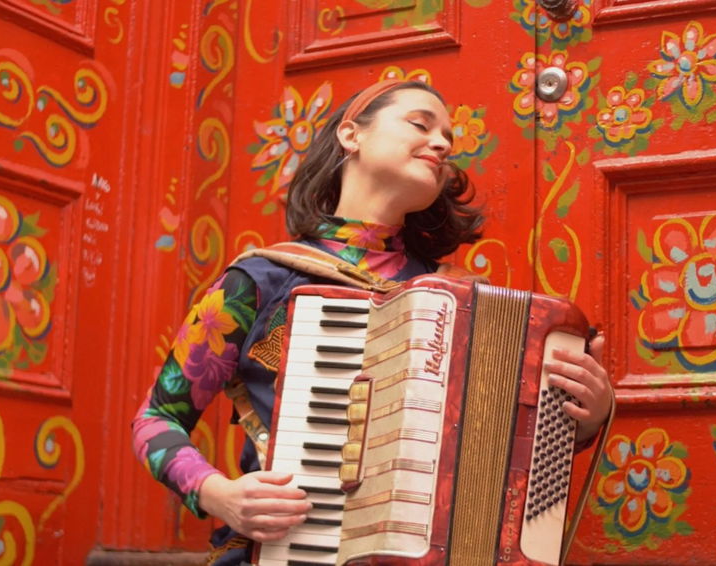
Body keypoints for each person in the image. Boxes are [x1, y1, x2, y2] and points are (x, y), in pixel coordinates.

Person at [130, 79, 614, 564]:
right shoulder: (259, 281)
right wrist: (218, 494)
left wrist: (583, 419)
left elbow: (504, 457)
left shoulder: (468, 303)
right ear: (351, 135)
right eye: (421, 124)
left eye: (448, 139)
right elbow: (156, 420)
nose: (442, 144)